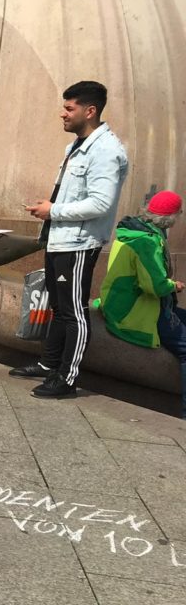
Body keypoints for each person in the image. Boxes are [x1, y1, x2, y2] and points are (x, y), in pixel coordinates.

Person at [13, 80, 129, 398]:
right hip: (60, 238)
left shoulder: (106, 151)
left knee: (74, 311)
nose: (62, 114)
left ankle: (67, 379)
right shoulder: (77, 145)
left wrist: (53, 210)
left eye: (69, 108)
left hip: (78, 244)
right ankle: (49, 364)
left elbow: (101, 203)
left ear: (89, 111)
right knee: (59, 308)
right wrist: (51, 210)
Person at [98, 190, 186, 416]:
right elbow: (156, 287)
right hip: (135, 308)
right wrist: (174, 285)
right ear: (171, 217)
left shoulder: (132, 231)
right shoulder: (146, 242)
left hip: (121, 299)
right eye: (179, 213)